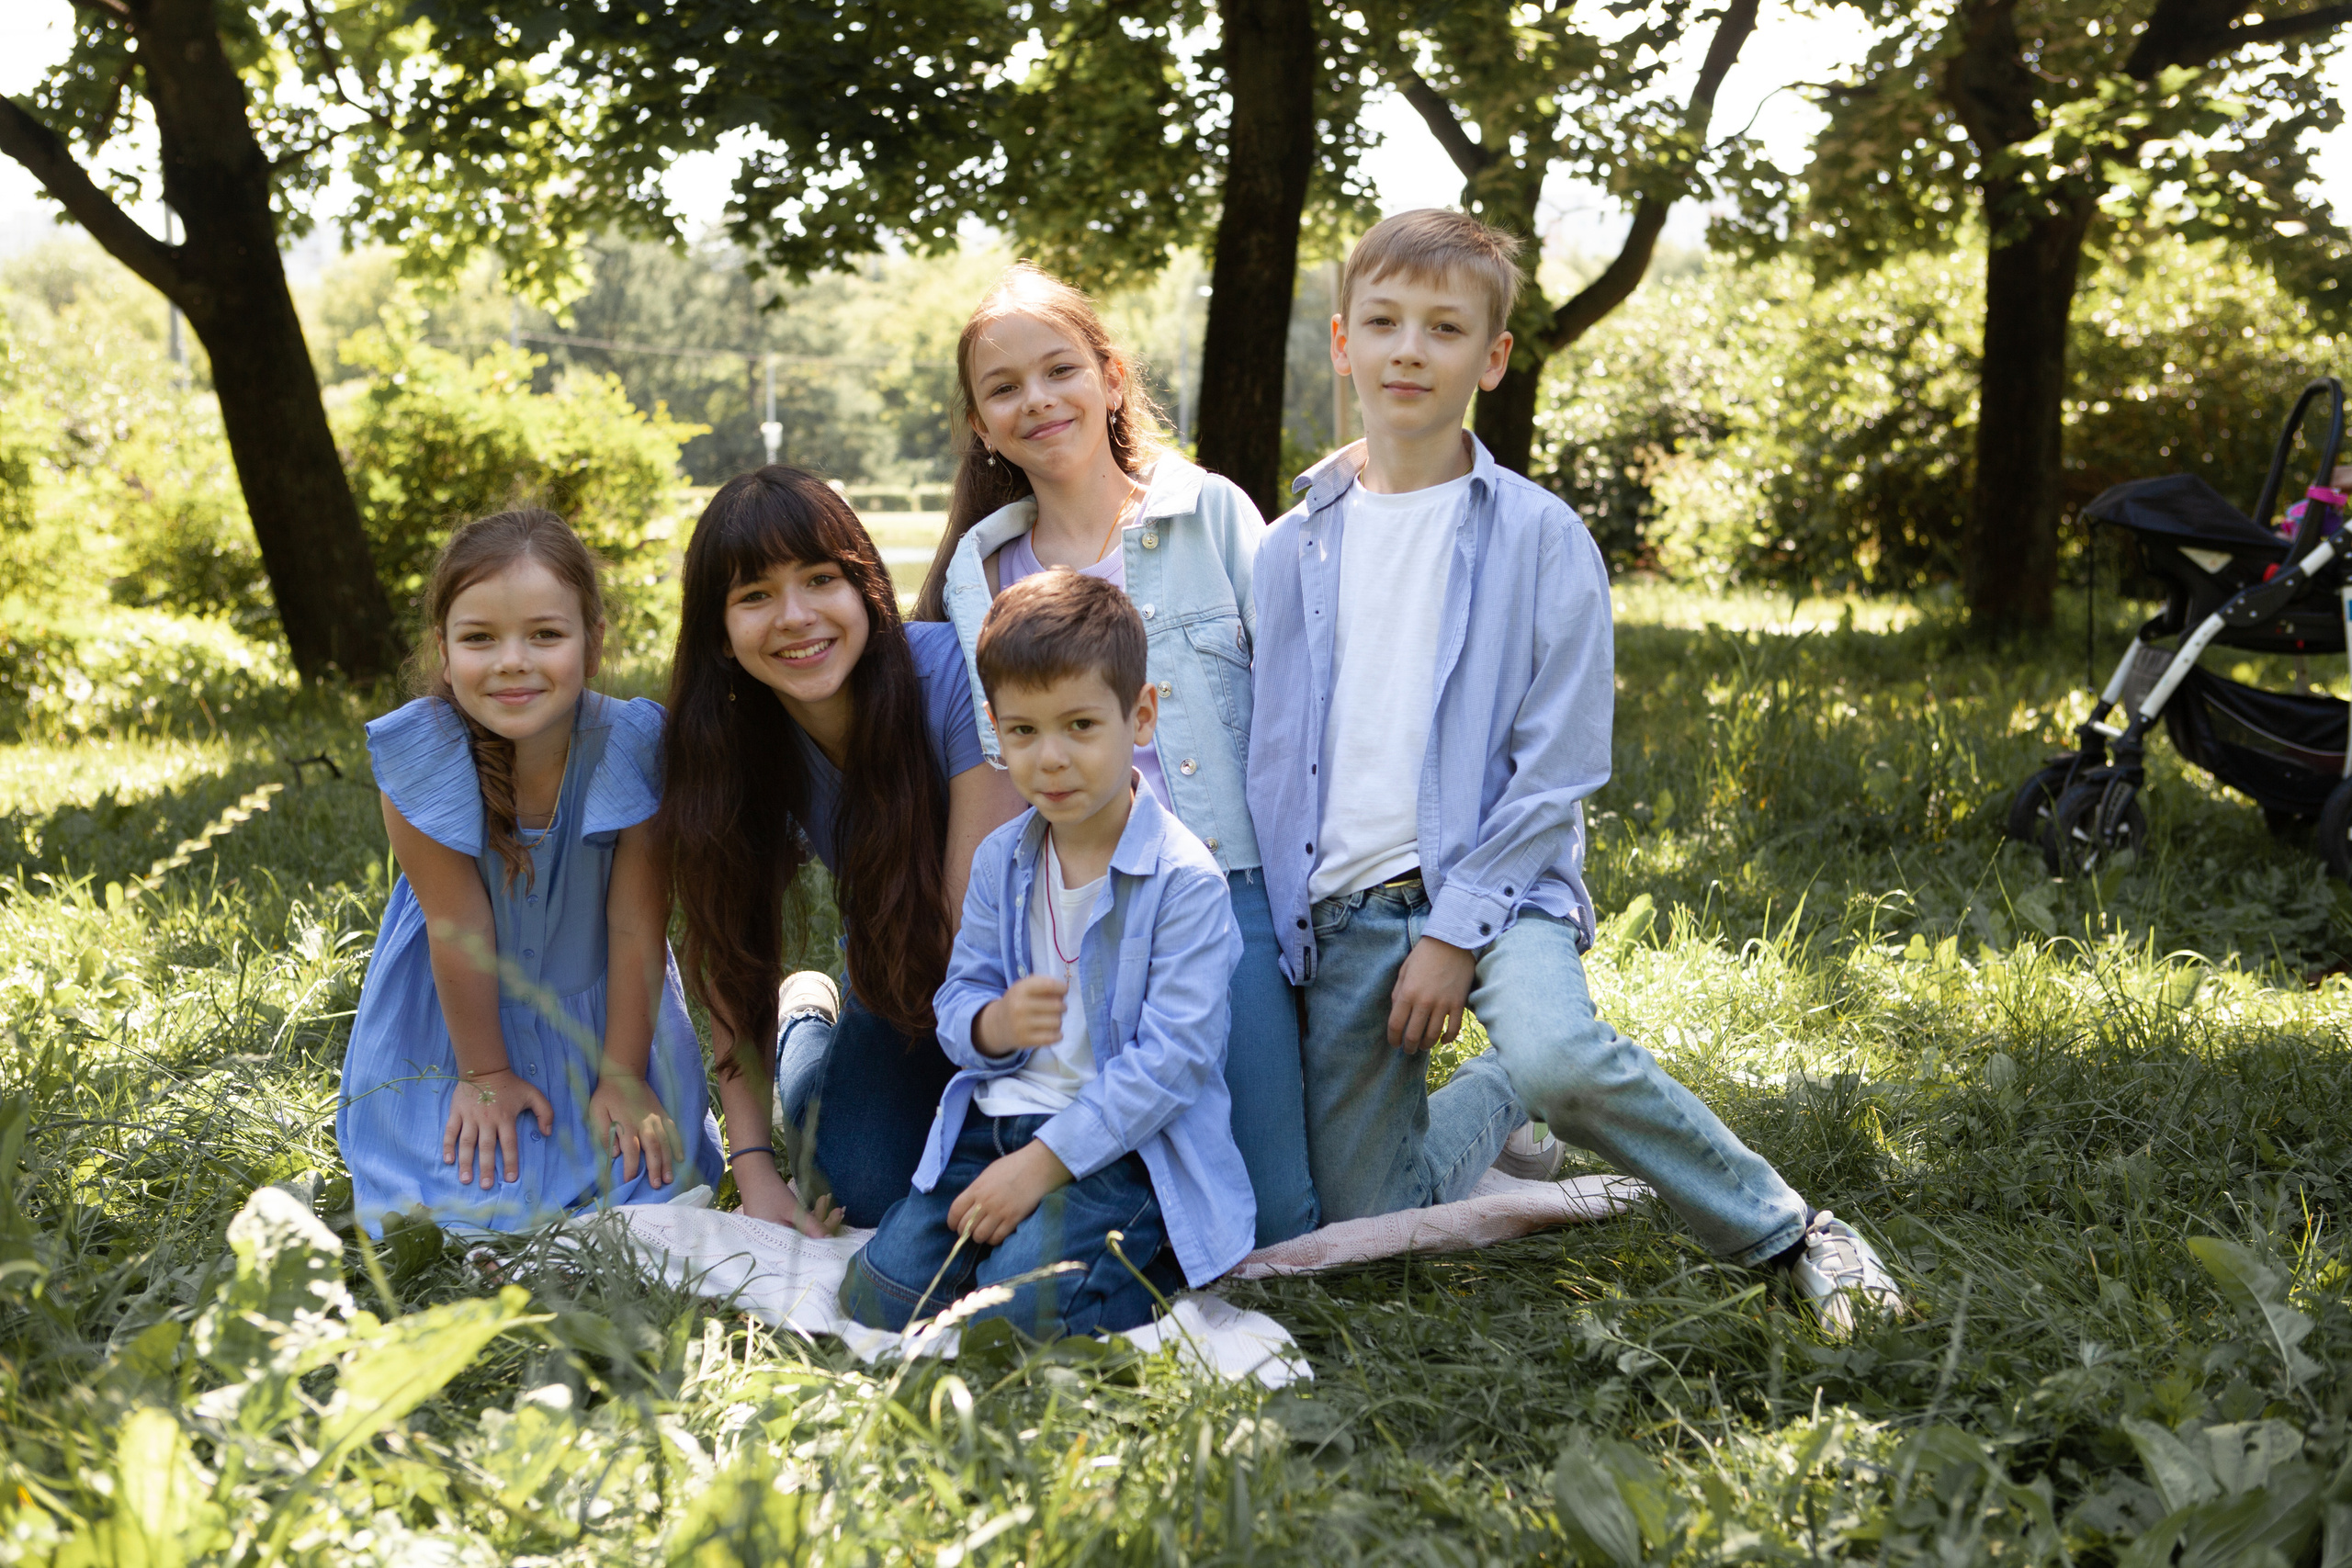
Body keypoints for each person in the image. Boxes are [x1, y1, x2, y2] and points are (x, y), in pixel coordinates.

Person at [1247, 209, 1906, 1337]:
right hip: (1342, 906)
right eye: (1384, 323)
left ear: (1491, 359)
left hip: (1499, 893)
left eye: (1445, 328)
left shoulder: (1539, 537)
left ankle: (1791, 1229)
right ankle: (1495, 1100)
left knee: (1555, 1052)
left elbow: (1557, 766)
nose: (1411, 349)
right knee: (1370, 1214)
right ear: (1342, 345)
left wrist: (1454, 933)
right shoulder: (1287, 543)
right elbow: (1270, 744)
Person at [913, 264, 1317, 1248]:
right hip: (1075, 910)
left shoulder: (1208, 513)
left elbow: (1298, 712)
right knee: (1108, 1158)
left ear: (1108, 376)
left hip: (1226, 887)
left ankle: (1500, 1094)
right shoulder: (982, 575)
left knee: (1279, 1218)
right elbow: (997, 766)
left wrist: (1319, 901)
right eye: (1003, 389)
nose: (1036, 401)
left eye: (1059, 371)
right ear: (979, 422)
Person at [841, 572, 1254, 1337]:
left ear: (1141, 715)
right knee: (878, 1297)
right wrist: (994, 1023)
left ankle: (1149, 1254)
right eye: (1024, 731)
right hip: (992, 1125)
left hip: (1119, 1149)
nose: (1051, 759)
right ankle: (1011, 1252)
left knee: (1011, 1316)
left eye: (1080, 726)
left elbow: (1173, 1062)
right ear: (995, 729)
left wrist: (1038, 1168)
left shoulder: (1183, 880)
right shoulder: (1004, 861)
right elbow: (958, 1000)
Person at [657, 468, 1023, 1235]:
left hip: (999, 975)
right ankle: (806, 1024)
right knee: (859, 1184)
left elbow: (973, 938)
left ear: (867, 590)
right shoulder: (729, 743)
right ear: (719, 634)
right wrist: (753, 1164)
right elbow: (733, 953)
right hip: (892, 973)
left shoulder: (952, 674)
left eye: (820, 579)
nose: (795, 616)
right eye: (754, 595)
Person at [338, 510, 723, 1235]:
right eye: (480, 637)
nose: (513, 660)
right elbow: (459, 930)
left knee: (652, 1191)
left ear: (592, 642)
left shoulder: (634, 746)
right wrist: (482, 1077)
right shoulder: (421, 755)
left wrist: (621, 1071)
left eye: (545, 634)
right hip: (457, 1023)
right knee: (444, 1205)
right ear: (445, 654)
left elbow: (636, 924)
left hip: (611, 1015)